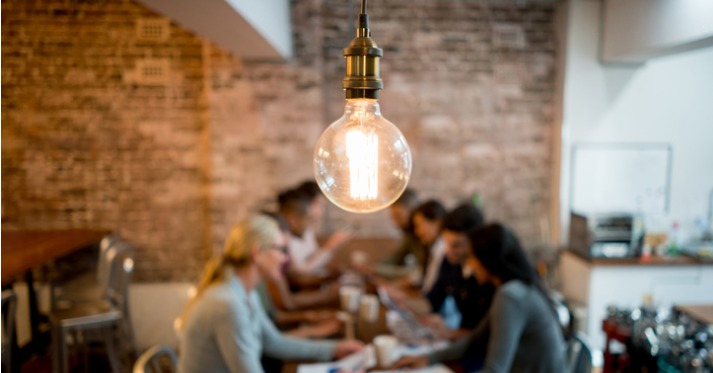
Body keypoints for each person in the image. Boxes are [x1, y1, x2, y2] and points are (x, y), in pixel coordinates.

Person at [178, 215, 362, 373]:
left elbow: (273, 342)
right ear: (257, 253)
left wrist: (334, 349)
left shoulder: (245, 293)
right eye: (281, 249)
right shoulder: (228, 304)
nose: (286, 258)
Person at [392, 223, 567, 373]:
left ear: (488, 260)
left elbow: (494, 370)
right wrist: (429, 358)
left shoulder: (510, 296)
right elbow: (475, 339)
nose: (470, 264)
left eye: (473, 258)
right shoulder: (517, 288)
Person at [425, 203, 493, 331]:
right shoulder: (449, 262)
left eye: (456, 245)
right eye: (446, 242)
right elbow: (433, 300)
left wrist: (448, 333)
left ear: (475, 242)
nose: (449, 251)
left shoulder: (488, 275)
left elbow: (488, 334)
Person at [279, 188, 351, 279]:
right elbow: (299, 273)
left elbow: (314, 257)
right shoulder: (283, 239)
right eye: (319, 205)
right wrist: (331, 246)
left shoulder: (306, 230)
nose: (320, 212)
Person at [411, 200, 447, 293]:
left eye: (419, 225)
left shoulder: (443, 250)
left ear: (437, 222)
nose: (417, 232)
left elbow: (429, 292)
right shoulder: (432, 248)